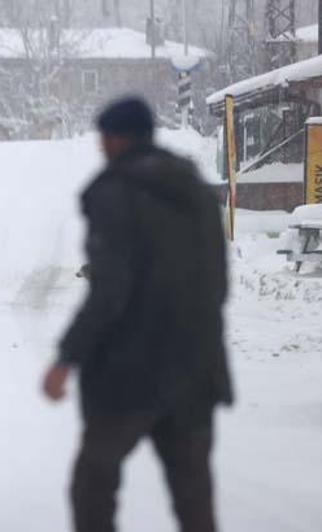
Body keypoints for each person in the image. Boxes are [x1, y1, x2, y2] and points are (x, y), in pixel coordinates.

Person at [42, 97, 233, 532]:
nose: (100, 147)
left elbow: (110, 290)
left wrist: (65, 359)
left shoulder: (116, 194)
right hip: (195, 369)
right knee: (193, 498)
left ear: (117, 138)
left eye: (103, 138)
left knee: (93, 486)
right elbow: (217, 282)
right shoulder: (196, 192)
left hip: (129, 374)